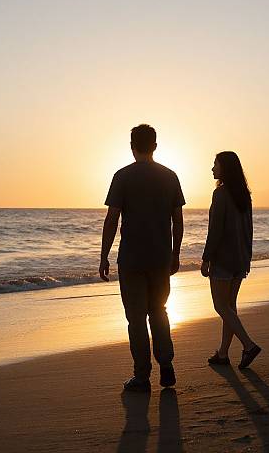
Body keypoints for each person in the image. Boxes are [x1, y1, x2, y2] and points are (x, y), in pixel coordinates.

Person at [100, 124, 185, 392]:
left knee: (136, 318)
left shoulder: (122, 176)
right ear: (156, 146)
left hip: (132, 259)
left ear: (132, 146)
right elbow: (178, 221)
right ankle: (167, 365)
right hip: (160, 257)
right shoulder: (170, 176)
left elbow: (112, 218)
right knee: (158, 312)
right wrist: (176, 253)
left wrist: (103, 256)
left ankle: (142, 376)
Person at [201, 151, 261, 369]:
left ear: (224, 167)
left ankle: (248, 345)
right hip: (240, 258)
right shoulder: (244, 195)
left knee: (221, 306)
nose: (212, 168)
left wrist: (206, 258)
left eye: (215, 164)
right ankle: (223, 354)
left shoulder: (221, 194)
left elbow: (215, 230)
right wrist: (247, 257)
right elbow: (249, 230)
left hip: (224, 259)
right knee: (230, 307)